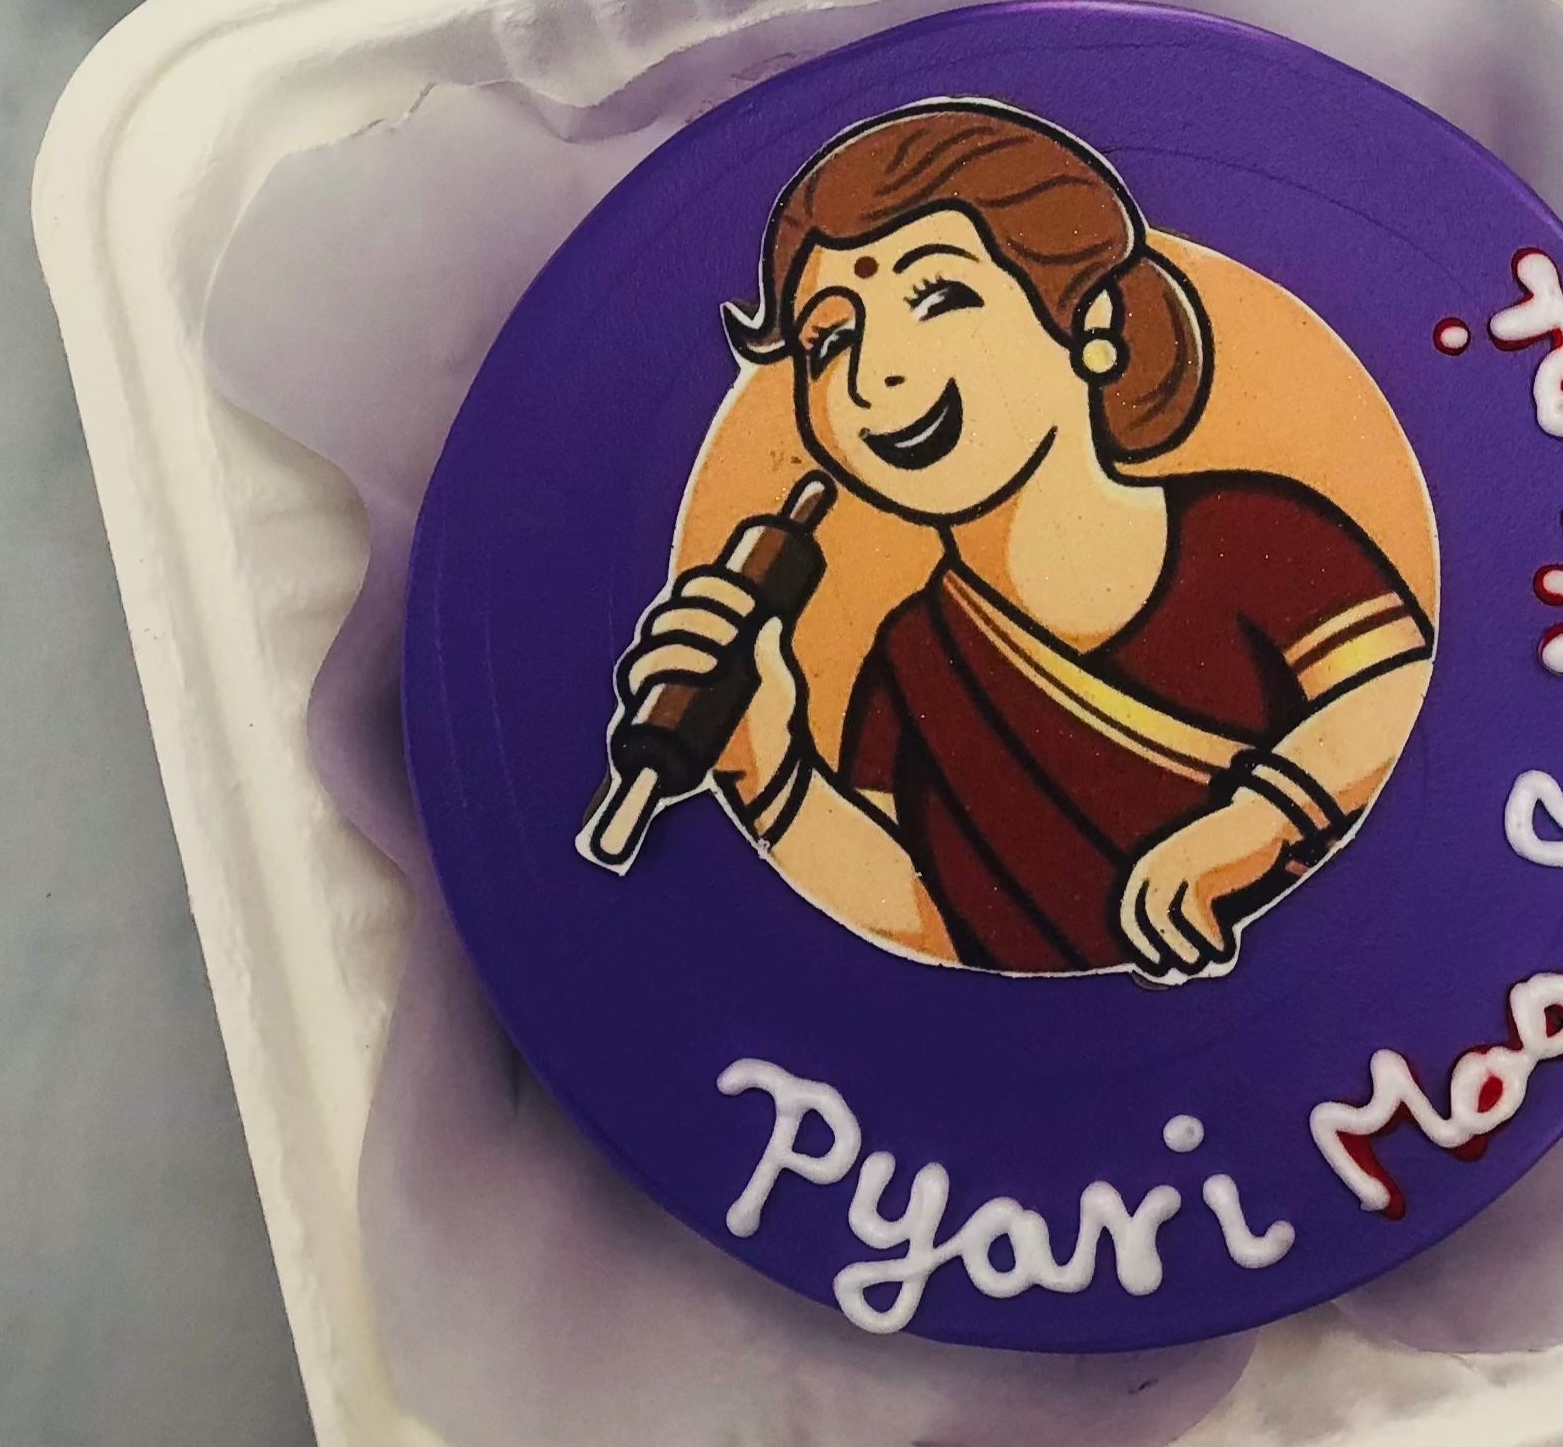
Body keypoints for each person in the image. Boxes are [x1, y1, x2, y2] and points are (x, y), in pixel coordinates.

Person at [613, 99, 1435, 981]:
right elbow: (923, 907)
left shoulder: (1257, 533)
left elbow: (1399, 695)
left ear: (1094, 331)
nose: (874, 370)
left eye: (937, 296)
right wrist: (769, 763)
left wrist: (1259, 819)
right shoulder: (912, 656)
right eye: (830, 336)